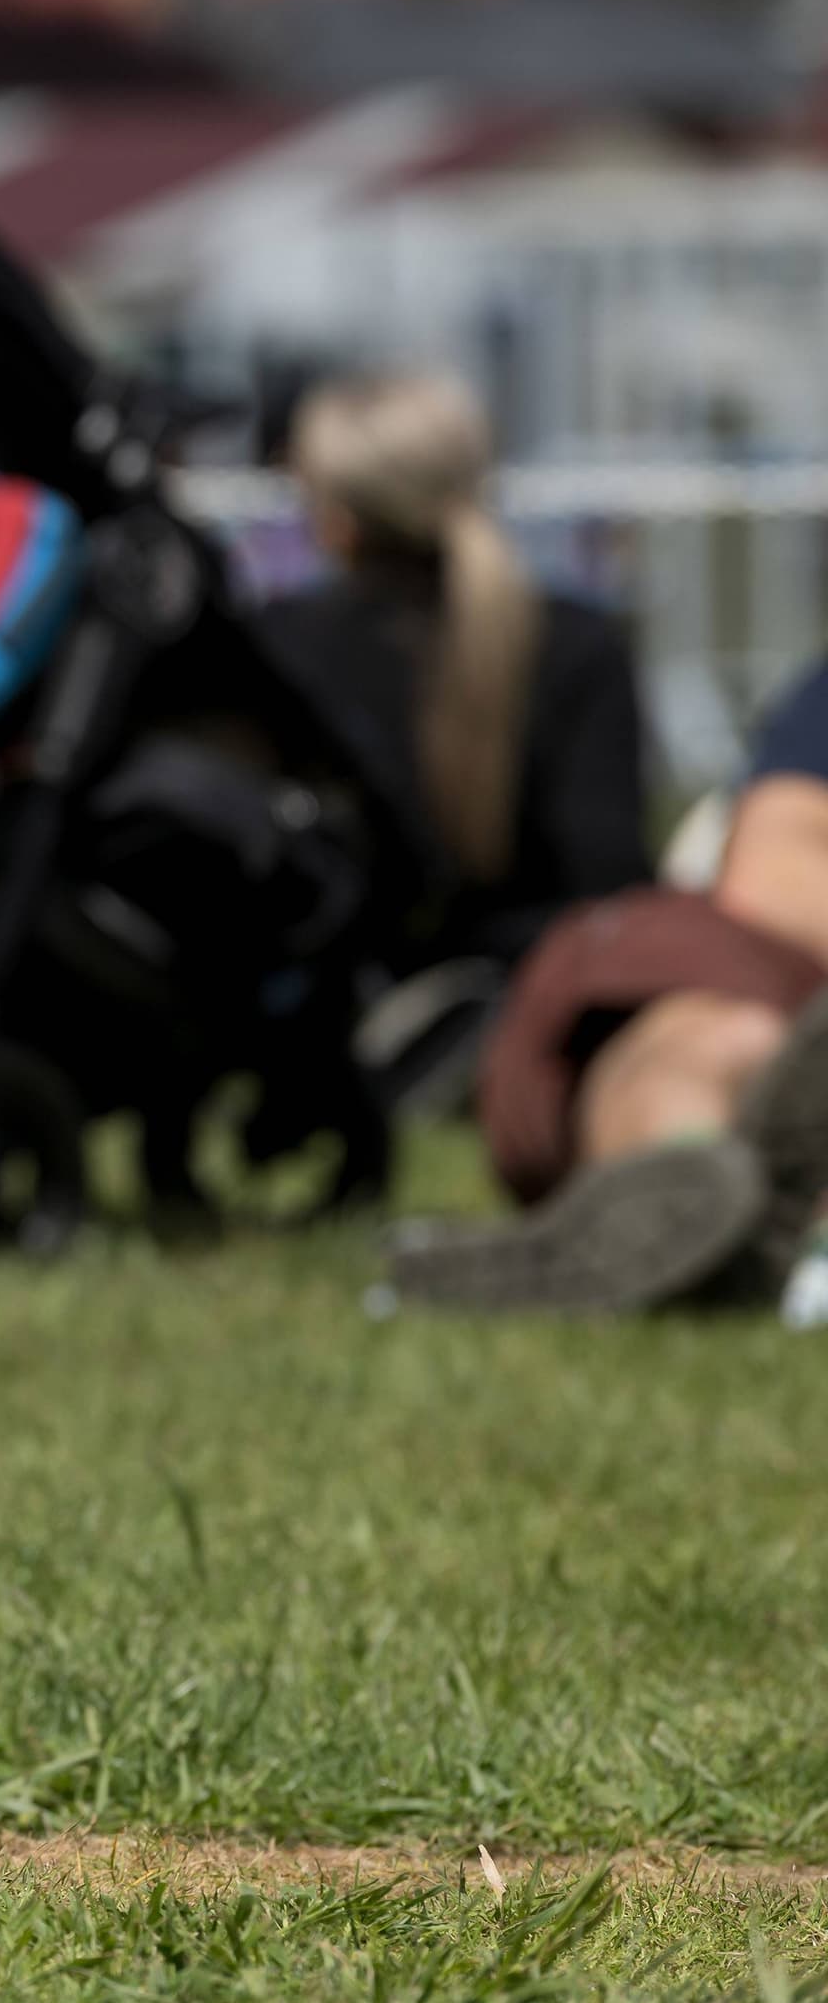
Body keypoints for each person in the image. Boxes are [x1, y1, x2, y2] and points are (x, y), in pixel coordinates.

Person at [390, 661, 828, 1313]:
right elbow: (774, 867)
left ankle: (745, 1231)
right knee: (726, 1041)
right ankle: (688, 1190)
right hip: (731, 959)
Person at [252, 371, 647, 968]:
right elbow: (611, 882)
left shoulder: (281, 645)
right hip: (534, 1012)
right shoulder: (579, 643)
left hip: (335, 1019)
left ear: (335, 515)